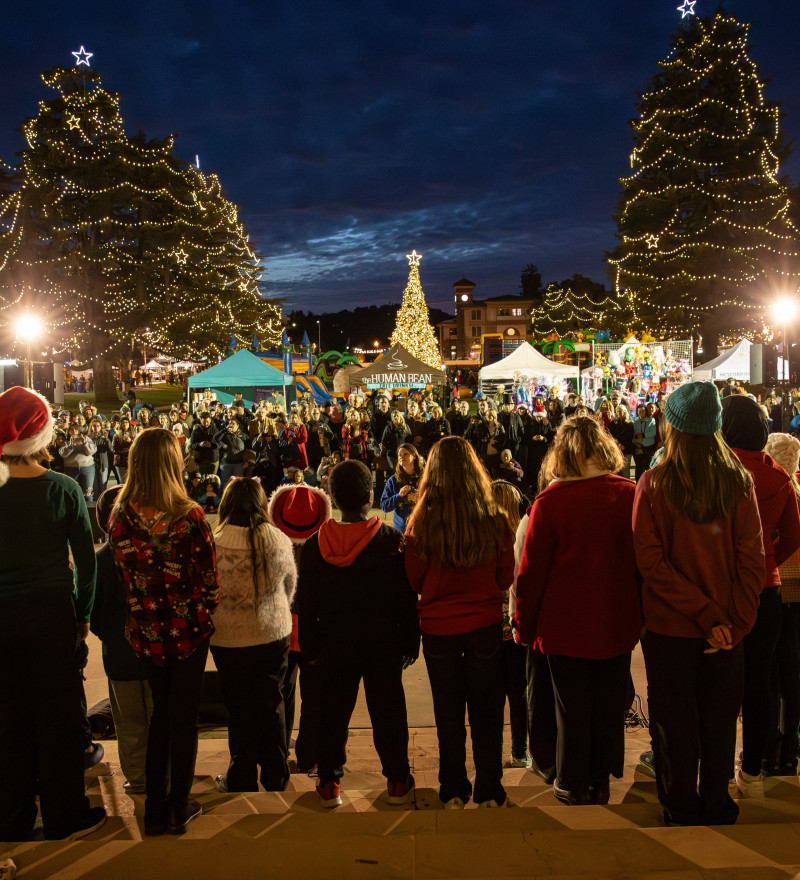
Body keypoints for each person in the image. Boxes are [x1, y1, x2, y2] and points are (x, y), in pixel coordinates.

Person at [633, 381, 765, 826]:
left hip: (672, 629)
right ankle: (715, 802)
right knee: (719, 723)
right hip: (726, 630)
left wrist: (708, 617)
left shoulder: (652, 483)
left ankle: (680, 805)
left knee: (675, 726)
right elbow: (754, 559)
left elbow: (650, 563)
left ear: (674, 426)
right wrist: (733, 623)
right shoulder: (739, 482)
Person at [0, 387, 107, 842]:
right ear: (41, 434)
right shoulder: (63, 489)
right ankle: (64, 813)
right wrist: (82, 614)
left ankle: (12, 816)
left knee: (8, 718)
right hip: (52, 613)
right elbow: (87, 560)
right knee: (60, 718)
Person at [515, 417, 640, 805]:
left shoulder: (550, 503)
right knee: (608, 705)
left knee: (571, 707)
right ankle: (600, 780)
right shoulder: (630, 494)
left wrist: (523, 625)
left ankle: (571, 780)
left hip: (563, 624)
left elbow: (531, 572)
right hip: (617, 620)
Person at [108, 428, 219, 836]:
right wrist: (202, 609)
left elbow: (122, 574)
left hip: (145, 631)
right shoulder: (189, 515)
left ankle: (154, 808)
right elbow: (210, 579)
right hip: (187, 630)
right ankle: (178, 804)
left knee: (160, 715)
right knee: (183, 718)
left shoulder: (121, 515)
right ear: (172, 462)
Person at [296, 459, 420, 807]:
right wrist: (411, 640)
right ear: (370, 495)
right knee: (389, 712)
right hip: (383, 641)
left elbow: (305, 602)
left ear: (333, 498)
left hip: (334, 641)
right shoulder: (391, 540)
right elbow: (404, 598)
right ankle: (397, 781)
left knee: (332, 712)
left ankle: (330, 783)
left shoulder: (315, 544)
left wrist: (310, 647)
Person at [405, 436, 515, 808]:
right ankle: (490, 790)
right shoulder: (494, 517)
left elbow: (414, 578)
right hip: (483, 624)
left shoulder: (422, 518)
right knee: (487, 712)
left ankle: (453, 788)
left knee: (447, 714)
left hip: (438, 628)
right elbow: (505, 577)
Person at [721, 395, 800, 797]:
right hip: (767, 588)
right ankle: (751, 771)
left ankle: (712, 769)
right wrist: (768, 557)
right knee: (759, 683)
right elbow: (793, 536)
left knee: (717, 680)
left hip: (721, 586)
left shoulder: (718, 471)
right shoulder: (781, 479)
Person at [210, 478, 297, 792]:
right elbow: (289, 588)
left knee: (238, 707)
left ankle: (241, 774)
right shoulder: (277, 539)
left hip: (227, 639)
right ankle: (276, 774)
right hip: (271, 633)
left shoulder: (214, 540)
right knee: (272, 704)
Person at [91, 485, 151, 795]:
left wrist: (112, 636)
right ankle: (162, 774)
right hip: (156, 651)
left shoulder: (101, 559)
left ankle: (138, 779)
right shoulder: (154, 548)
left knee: (128, 723)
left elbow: (93, 614)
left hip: (118, 654)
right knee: (158, 717)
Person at [763, 432, 800, 775]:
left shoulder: (773, 489)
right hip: (798, 592)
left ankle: (769, 749)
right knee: (794, 672)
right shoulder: (792, 488)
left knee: (770, 673)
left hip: (775, 588)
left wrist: (770, 561)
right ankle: (791, 748)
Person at [490, 479, 530, 769]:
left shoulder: (484, 538)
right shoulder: (524, 535)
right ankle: (519, 752)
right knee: (519, 693)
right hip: (517, 625)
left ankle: (491, 755)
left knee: (490, 697)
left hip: (489, 625)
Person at [380, 443, 423, 532]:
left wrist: (421, 497)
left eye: (405, 454)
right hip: (401, 529)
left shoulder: (425, 477)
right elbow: (384, 506)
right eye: (399, 455)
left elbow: (438, 500)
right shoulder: (393, 480)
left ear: (414, 456)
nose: (401, 457)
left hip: (422, 527)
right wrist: (398, 496)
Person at [60, 423, 97, 504]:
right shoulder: (66, 441)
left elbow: (92, 451)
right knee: (73, 492)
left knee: (87, 493)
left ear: (79, 430)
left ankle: (89, 512)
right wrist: (70, 446)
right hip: (71, 468)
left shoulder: (86, 438)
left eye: (75, 429)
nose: (74, 431)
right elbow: (63, 454)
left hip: (87, 468)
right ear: (69, 431)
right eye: (71, 429)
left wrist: (85, 443)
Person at [632, 403, 657, 481]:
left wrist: (643, 435)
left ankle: (649, 482)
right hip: (637, 445)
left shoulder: (651, 420)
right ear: (637, 412)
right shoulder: (634, 420)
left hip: (648, 446)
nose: (641, 412)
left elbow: (653, 432)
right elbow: (632, 433)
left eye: (643, 411)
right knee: (639, 466)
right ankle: (638, 483)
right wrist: (636, 441)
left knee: (648, 466)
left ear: (646, 411)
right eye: (639, 411)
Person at [609, 405, 635, 478]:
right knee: (617, 470)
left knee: (626, 470)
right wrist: (617, 444)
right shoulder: (613, 423)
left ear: (625, 412)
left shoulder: (630, 423)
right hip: (616, 449)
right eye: (617, 411)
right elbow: (611, 435)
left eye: (621, 411)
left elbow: (630, 436)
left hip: (627, 449)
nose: (619, 413)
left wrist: (624, 445)